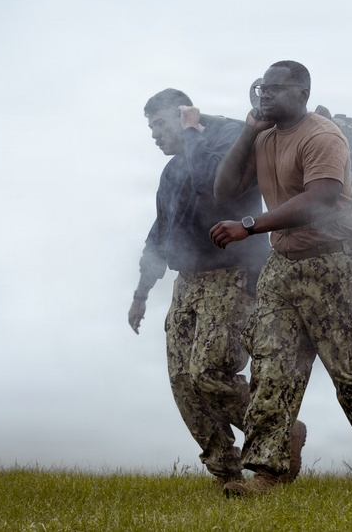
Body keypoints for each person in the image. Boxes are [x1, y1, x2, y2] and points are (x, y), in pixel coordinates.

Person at [209, 60, 352, 496]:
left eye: (277, 89)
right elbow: (224, 189)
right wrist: (249, 129)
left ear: (302, 93)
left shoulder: (321, 135)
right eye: (262, 88)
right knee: (272, 370)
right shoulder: (264, 136)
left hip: (338, 268)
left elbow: (320, 198)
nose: (265, 95)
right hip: (284, 268)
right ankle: (266, 474)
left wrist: (250, 225)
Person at [127, 88, 284, 486]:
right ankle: (225, 470)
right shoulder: (172, 169)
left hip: (232, 273)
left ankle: (278, 433)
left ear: (183, 116)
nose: (154, 135)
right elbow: (161, 231)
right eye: (151, 128)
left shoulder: (229, 139)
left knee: (208, 372)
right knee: (183, 380)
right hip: (189, 281)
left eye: (160, 124)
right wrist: (141, 293)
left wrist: (194, 130)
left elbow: (211, 183)